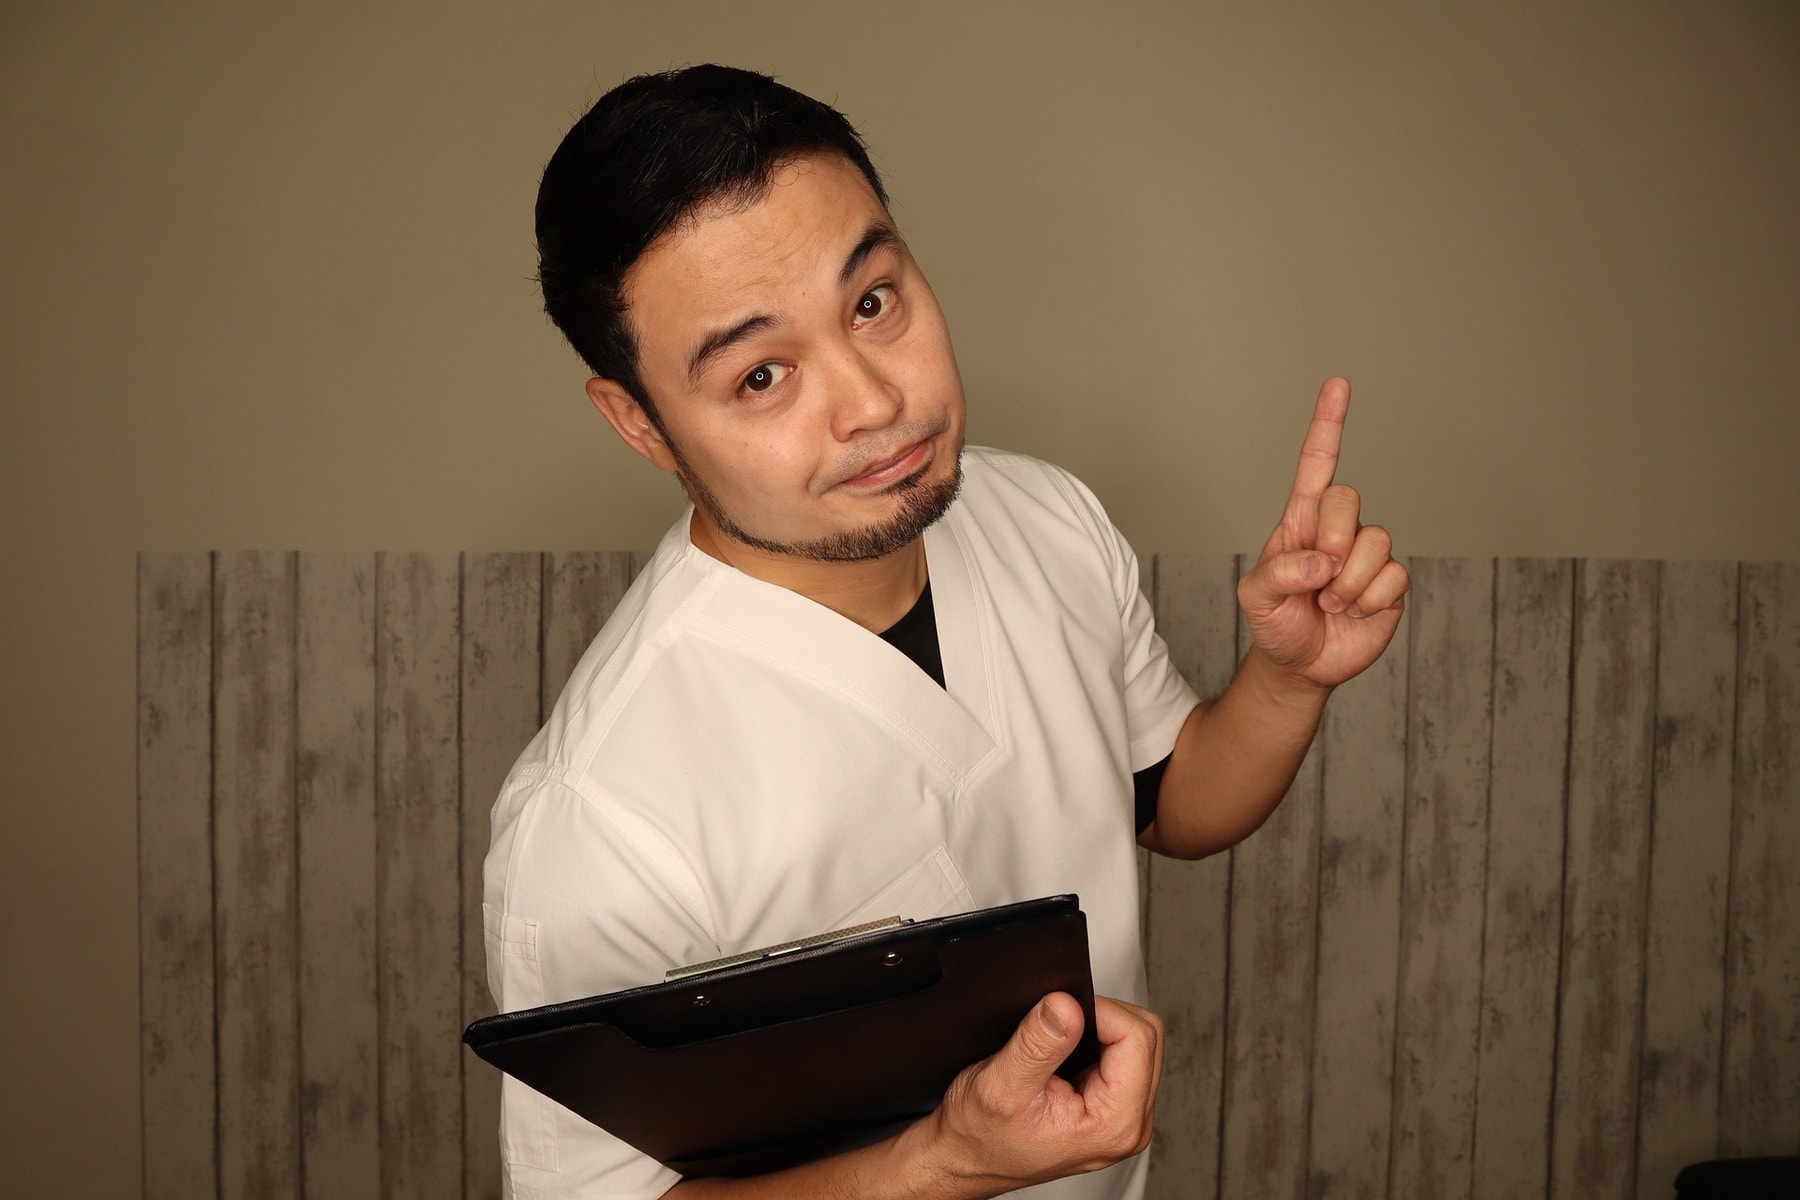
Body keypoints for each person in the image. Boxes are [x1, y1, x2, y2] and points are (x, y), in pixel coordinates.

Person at [484, 63, 1408, 1200]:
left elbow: (1166, 801)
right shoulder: (602, 814)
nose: (874, 403)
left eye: (873, 303)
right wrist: (947, 1162)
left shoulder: (1047, 517)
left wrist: (1288, 680)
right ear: (640, 422)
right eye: (762, 374)